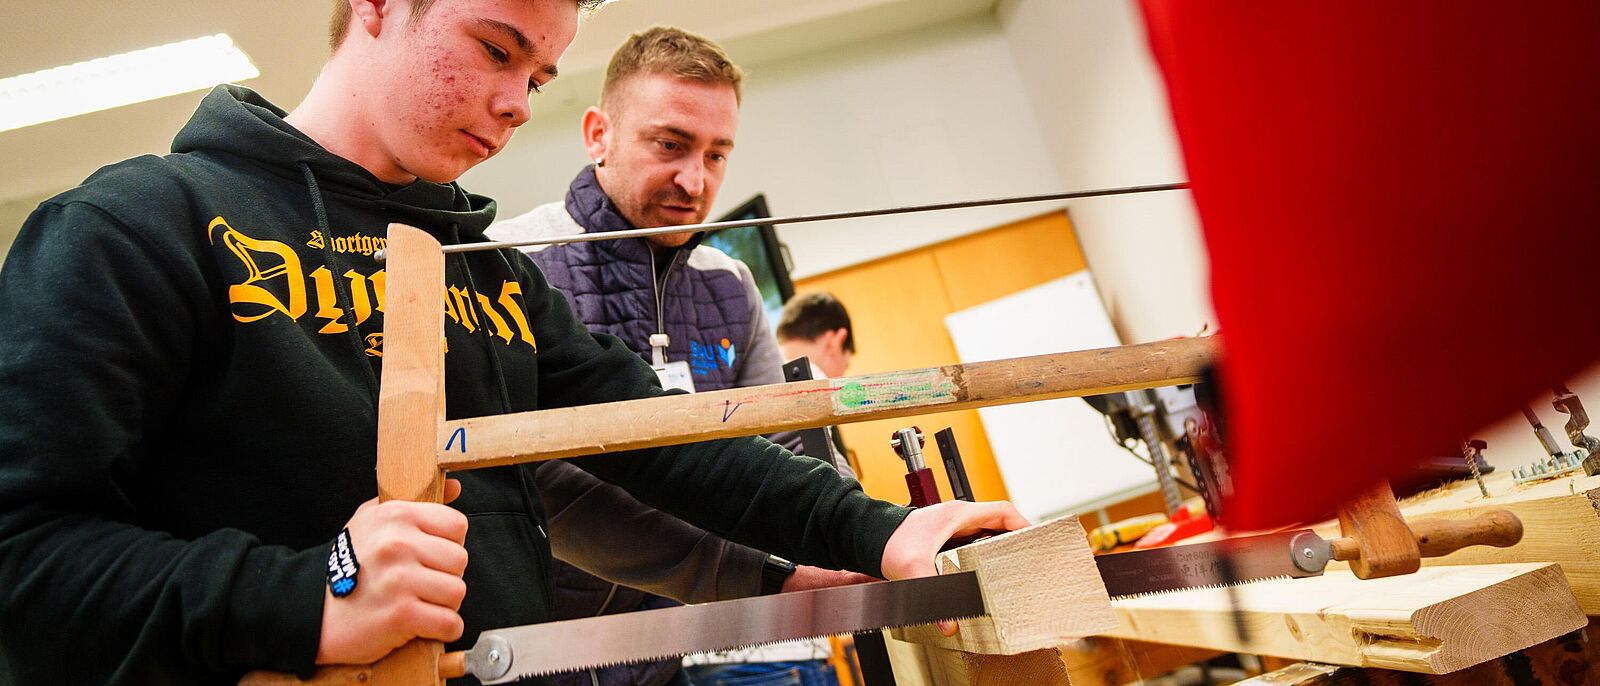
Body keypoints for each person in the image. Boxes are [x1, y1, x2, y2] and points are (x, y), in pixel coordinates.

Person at [0, 2, 1027, 685]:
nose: (512, 103)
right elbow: (22, 554)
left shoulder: (481, 270)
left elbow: (663, 435)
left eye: (537, 73)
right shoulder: (137, 225)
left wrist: (879, 533)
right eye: (496, 48)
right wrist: (306, 592)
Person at [486, 27, 859, 686]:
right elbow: (526, 491)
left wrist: (855, 539)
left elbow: (779, 449)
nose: (695, 180)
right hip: (531, 654)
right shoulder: (511, 263)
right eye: (670, 145)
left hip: (677, 647)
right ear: (598, 134)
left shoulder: (731, 285)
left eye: (718, 155)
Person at [777, 291, 856, 380]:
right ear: (836, 341)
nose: (842, 376)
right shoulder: (821, 385)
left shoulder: (764, 373)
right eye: (845, 367)